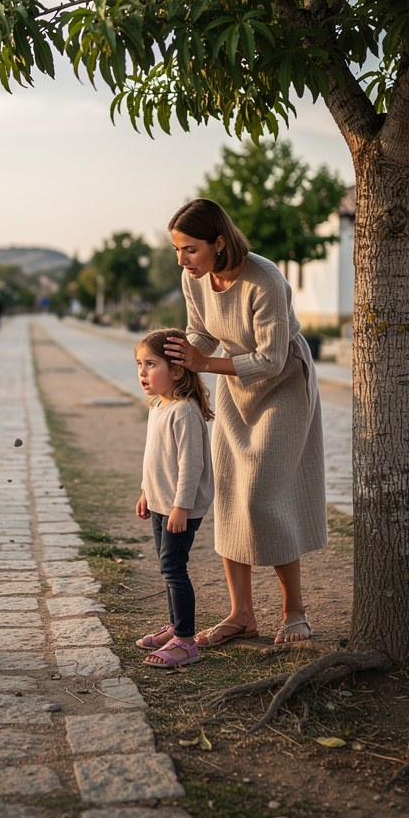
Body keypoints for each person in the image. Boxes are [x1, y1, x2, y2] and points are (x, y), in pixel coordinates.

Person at [163, 198, 326, 645]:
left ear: (219, 242)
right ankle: (242, 615)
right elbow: (202, 333)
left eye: (190, 249)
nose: (182, 260)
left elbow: (272, 359)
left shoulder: (265, 279)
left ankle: (295, 610)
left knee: (264, 497)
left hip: (283, 385)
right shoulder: (193, 278)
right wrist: (174, 357)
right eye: (177, 250)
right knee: (232, 495)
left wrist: (204, 364)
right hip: (235, 384)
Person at [133, 328, 215, 668]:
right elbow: (153, 457)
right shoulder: (159, 406)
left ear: (177, 370)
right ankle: (174, 626)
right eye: (139, 364)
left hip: (179, 508)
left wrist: (181, 506)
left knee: (173, 569)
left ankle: (185, 640)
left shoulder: (184, 411)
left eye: (151, 364)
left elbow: (190, 464)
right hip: (160, 503)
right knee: (168, 568)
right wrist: (145, 491)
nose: (142, 372)